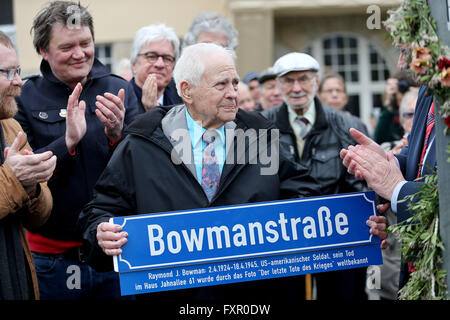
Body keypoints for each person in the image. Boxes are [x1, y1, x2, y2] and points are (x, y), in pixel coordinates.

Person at [78, 43, 386, 302]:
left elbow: (305, 200)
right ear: (186, 90)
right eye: (221, 85)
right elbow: (100, 211)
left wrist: (359, 222)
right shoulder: (142, 144)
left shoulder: (260, 137)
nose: (233, 93)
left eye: (235, 83)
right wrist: (101, 233)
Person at [14, 1, 139, 300]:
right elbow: (22, 178)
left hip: (116, 253)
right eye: (67, 46)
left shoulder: (119, 89)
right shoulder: (24, 98)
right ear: (44, 50)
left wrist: (117, 135)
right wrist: (66, 142)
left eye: (86, 43)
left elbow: (142, 168)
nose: (80, 53)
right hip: (53, 260)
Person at [261, 52, 371, 300]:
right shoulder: (261, 126)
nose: (297, 88)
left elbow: (361, 189)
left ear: (316, 81)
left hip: (337, 244)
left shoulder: (345, 125)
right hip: (282, 246)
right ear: (279, 84)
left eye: (303, 79)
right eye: (288, 81)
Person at [0, 31, 55, 300]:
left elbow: (39, 218)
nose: (19, 81)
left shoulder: (11, 127)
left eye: (17, 71)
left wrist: (33, 187)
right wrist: (13, 178)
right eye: (7, 73)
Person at [366, 88, 418, 300]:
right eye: (409, 114)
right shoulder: (387, 150)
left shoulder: (436, 151)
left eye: (420, 113)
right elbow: (366, 199)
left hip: (418, 265)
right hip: (384, 266)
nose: (415, 120)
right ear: (402, 118)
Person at [130, 24, 182, 112]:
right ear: (134, 64)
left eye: (167, 58)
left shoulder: (182, 100)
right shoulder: (122, 102)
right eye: (151, 57)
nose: (160, 64)